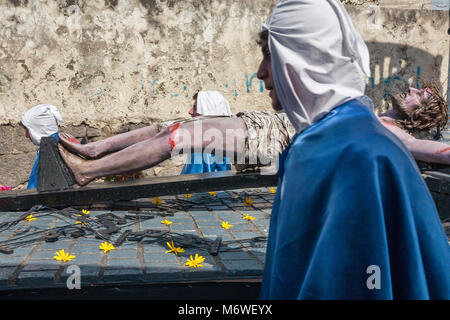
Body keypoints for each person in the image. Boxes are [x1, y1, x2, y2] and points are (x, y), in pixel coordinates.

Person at [256, 0, 449, 299]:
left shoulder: (363, 155)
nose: (260, 72)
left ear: (305, 56)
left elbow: (364, 282)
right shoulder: (318, 142)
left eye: (270, 54)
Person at [56, 83, 449, 187]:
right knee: (166, 127)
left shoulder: (398, 134)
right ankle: (92, 150)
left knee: (178, 137)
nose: (413, 90)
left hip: (274, 141)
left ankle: (87, 172)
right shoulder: (374, 112)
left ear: (422, 114)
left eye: (420, 95)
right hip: (269, 126)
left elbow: (437, 150)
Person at [20, 104, 80, 189]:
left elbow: (34, 187)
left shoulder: (48, 151)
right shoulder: (60, 143)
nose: (26, 135)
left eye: (28, 130)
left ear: (38, 128)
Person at [180, 90, 232, 174]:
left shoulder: (202, 145)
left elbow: (193, 179)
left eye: (195, 108)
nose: (190, 111)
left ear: (207, 112)